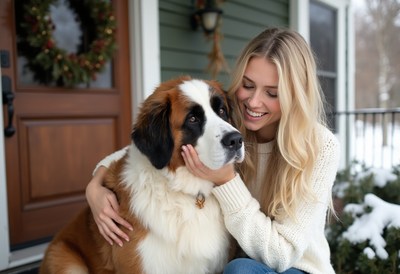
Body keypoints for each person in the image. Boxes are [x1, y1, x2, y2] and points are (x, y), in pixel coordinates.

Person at [86, 27, 340, 274]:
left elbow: (281, 255)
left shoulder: (319, 146)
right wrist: (95, 185)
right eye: (248, 85)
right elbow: (149, 145)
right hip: (242, 260)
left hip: (295, 267)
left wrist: (226, 181)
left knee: (239, 270)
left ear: (295, 95)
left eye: (272, 93)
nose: (253, 102)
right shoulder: (232, 117)